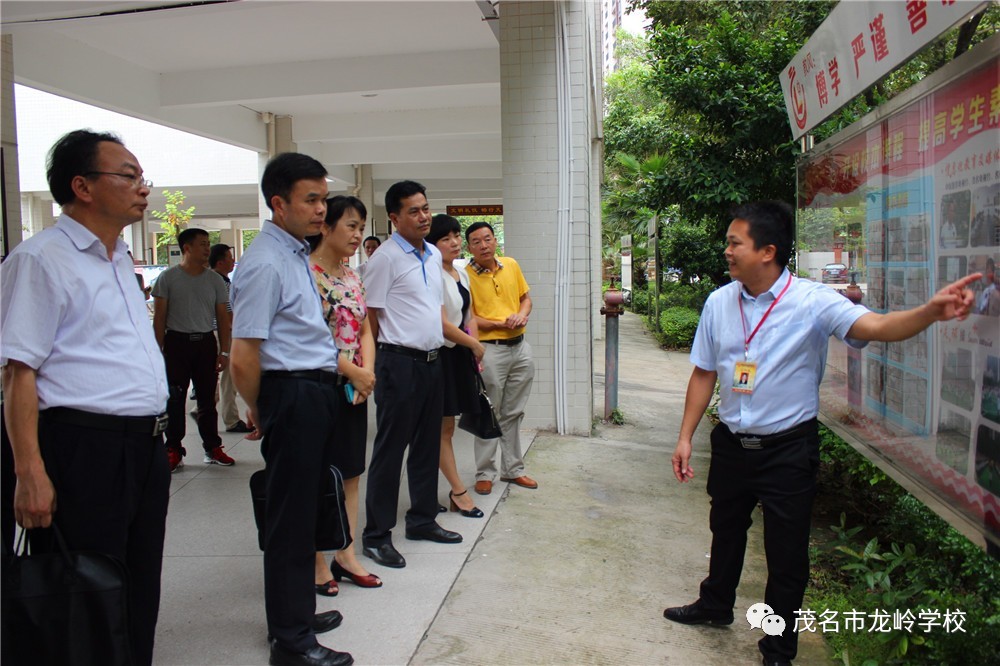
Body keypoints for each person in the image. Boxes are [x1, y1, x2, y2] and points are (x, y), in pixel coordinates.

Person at [663, 201, 979, 666]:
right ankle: (715, 604)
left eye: (735, 242)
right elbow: (704, 373)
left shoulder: (812, 301)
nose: (726, 250)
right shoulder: (719, 302)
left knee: (786, 555)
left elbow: (875, 326)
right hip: (732, 442)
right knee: (725, 530)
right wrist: (686, 436)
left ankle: (777, 648)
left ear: (767, 251)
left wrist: (930, 312)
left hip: (787, 448)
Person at [0, 129, 170, 665]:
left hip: (143, 447)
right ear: (83, 186)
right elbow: (18, 373)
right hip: (83, 448)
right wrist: (30, 472)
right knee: (86, 592)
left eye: (142, 177)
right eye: (128, 175)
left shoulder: (119, 257)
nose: (142, 188)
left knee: (138, 585)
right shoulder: (41, 260)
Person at [230, 153, 352, 666]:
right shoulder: (264, 262)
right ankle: (291, 640)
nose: (321, 209)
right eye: (311, 199)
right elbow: (243, 355)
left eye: (324, 198)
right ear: (278, 204)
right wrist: (263, 409)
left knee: (308, 510)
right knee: (290, 519)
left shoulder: (294, 253)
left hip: (312, 392)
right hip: (292, 395)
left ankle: (296, 612)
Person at [361, 180, 462, 570]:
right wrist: (370, 368)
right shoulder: (384, 259)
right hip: (397, 363)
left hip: (432, 362)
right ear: (394, 217)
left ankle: (422, 519)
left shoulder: (433, 254)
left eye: (426, 209)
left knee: (425, 445)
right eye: (414, 211)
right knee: (390, 449)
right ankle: (376, 535)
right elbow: (370, 316)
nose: (424, 217)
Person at [308, 196, 382, 594]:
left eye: (361, 227)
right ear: (325, 227)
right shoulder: (307, 274)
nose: (358, 235)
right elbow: (310, 338)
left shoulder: (352, 276)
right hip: (319, 387)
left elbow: (366, 329)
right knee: (317, 474)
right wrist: (353, 371)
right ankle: (316, 559)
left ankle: (346, 552)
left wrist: (365, 374)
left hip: (355, 387)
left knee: (351, 472)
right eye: (350, 226)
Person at [464, 221, 537, 495]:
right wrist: (499, 323)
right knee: (488, 411)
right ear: (468, 246)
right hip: (490, 349)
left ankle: (513, 469)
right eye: (476, 241)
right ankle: (485, 472)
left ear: (495, 240)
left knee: (514, 412)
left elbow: (526, 298)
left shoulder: (511, 265)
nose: (483, 245)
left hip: (520, 348)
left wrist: (522, 314)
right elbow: (468, 318)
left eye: (487, 239)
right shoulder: (465, 276)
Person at [152, 227, 234, 471]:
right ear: (186, 248)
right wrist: (156, 351)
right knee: (175, 399)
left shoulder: (215, 280)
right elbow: (159, 318)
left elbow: (223, 318)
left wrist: (225, 351)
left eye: (209, 243)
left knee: (208, 399)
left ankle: (212, 447)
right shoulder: (167, 278)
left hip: (206, 344)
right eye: (202, 244)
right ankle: (174, 448)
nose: (207, 248)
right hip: (176, 344)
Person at [427, 214, 486, 518]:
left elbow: (470, 316)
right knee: (441, 429)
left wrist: (475, 351)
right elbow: (441, 324)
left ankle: (447, 492)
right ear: (431, 244)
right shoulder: (432, 274)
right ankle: (458, 492)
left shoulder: (460, 273)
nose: (454, 242)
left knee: (446, 428)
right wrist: (473, 344)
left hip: (461, 355)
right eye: (444, 238)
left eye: (455, 236)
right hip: (443, 355)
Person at [208, 243, 253, 434]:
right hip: (224, 333)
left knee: (215, 377)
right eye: (229, 257)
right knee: (229, 378)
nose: (233, 261)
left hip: (211, 332)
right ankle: (231, 419)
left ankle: (203, 408)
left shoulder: (208, 280)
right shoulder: (222, 284)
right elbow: (227, 314)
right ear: (219, 262)